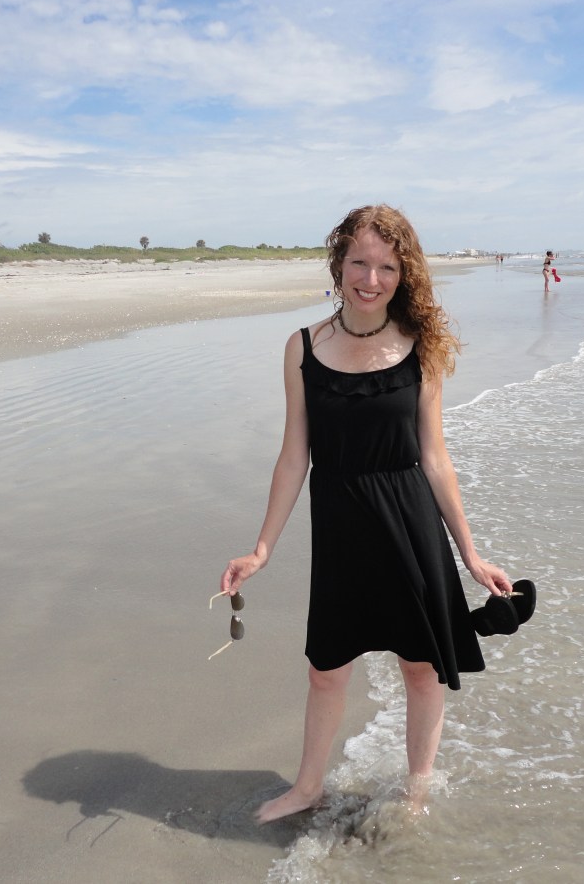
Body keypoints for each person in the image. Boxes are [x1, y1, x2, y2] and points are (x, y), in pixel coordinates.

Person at [220, 205, 514, 824]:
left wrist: (470, 553)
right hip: (341, 528)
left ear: (403, 275)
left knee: (422, 669)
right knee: (326, 671)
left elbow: (435, 459)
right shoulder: (302, 347)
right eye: (359, 263)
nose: (371, 280)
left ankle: (416, 793)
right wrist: (262, 548)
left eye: (386, 268)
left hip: (411, 522)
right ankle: (307, 787)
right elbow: (293, 456)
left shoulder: (420, 348)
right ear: (339, 265)